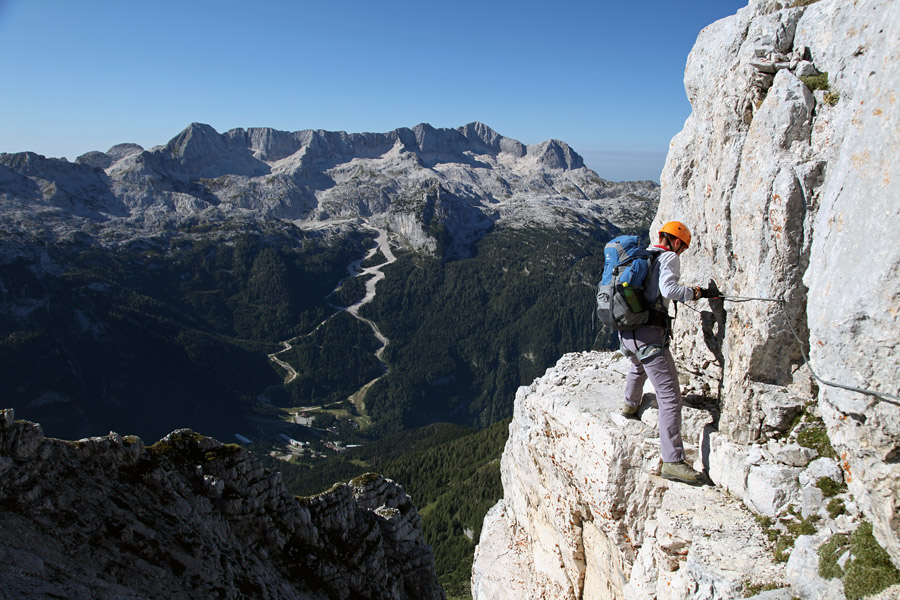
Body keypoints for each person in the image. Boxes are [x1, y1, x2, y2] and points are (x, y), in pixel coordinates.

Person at [618, 221, 713, 485]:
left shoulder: (642, 256)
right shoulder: (669, 257)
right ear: (678, 242)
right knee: (670, 397)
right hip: (649, 333)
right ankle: (672, 461)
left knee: (638, 365)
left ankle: (629, 406)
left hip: (627, 332)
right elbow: (669, 291)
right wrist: (696, 293)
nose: (681, 252)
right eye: (682, 247)